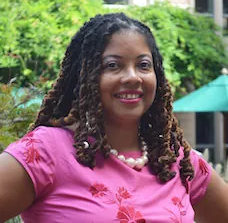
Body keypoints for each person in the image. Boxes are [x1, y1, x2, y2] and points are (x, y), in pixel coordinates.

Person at [0, 12, 228, 223]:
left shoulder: (176, 160)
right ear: (85, 75)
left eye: (143, 65)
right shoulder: (44, 153)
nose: (132, 77)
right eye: (112, 65)